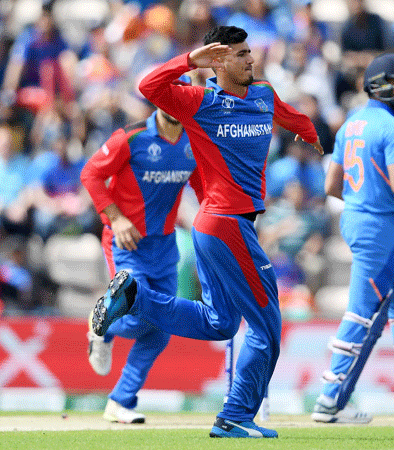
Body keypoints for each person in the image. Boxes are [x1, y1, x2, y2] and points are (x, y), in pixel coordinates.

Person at [88, 25, 322, 438]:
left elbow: (291, 115)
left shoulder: (263, 94)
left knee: (221, 324)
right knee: (267, 325)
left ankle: (134, 297)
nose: (250, 59)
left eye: (251, 52)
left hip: (221, 226)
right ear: (218, 61)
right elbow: (148, 84)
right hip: (226, 223)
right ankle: (235, 416)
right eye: (240, 54)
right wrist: (190, 60)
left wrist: (317, 137)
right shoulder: (199, 102)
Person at [312, 53, 394, 424]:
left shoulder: (350, 124)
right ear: (380, 84)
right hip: (379, 227)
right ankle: (328, 399)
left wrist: (364, 199)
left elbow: (331, 185)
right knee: (361, 312)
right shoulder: (393, 127)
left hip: (358, 220)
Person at [80, 76, 201, 423]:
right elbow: (90, 174)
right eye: (170, 95)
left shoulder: (194, 139)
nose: (175, 102)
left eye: (183, 95)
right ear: (158, 99)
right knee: (135, 316)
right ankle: (100, 325)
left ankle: (121, 400)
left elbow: (202, 185)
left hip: (164, 245)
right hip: (125, 242)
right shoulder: (131, 137)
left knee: (160, 328)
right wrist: (115, 218)